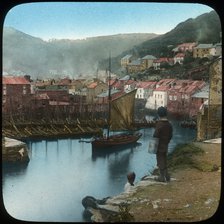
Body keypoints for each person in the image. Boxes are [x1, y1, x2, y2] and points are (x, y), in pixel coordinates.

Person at [153, 106, 173, 182]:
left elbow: (155, 135)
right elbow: (171, 135)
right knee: (164, 159)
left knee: (160, 160)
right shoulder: (169, 124)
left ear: (159, 114)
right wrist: (167, 141)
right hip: (166, 144)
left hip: (159, 145)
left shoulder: (159, 124)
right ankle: (167, 175)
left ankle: (161, 177)